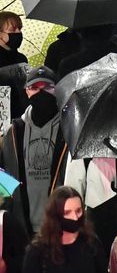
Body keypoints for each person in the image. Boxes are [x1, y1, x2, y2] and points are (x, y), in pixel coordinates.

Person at [1, 66, 66, 237]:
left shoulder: (68, 130)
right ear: (26, 92)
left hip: (62, 225)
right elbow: (4, 176)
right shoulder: (13, 131)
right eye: (35, 88)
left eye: (47, 87)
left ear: (57, 89)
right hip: (23, 227)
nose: (41, 93)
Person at [21, 187, 103, 273]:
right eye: (67, 213)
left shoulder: (92, 243)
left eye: (78, 211)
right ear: (55, 215)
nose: (75, 217)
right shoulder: (37, 251)